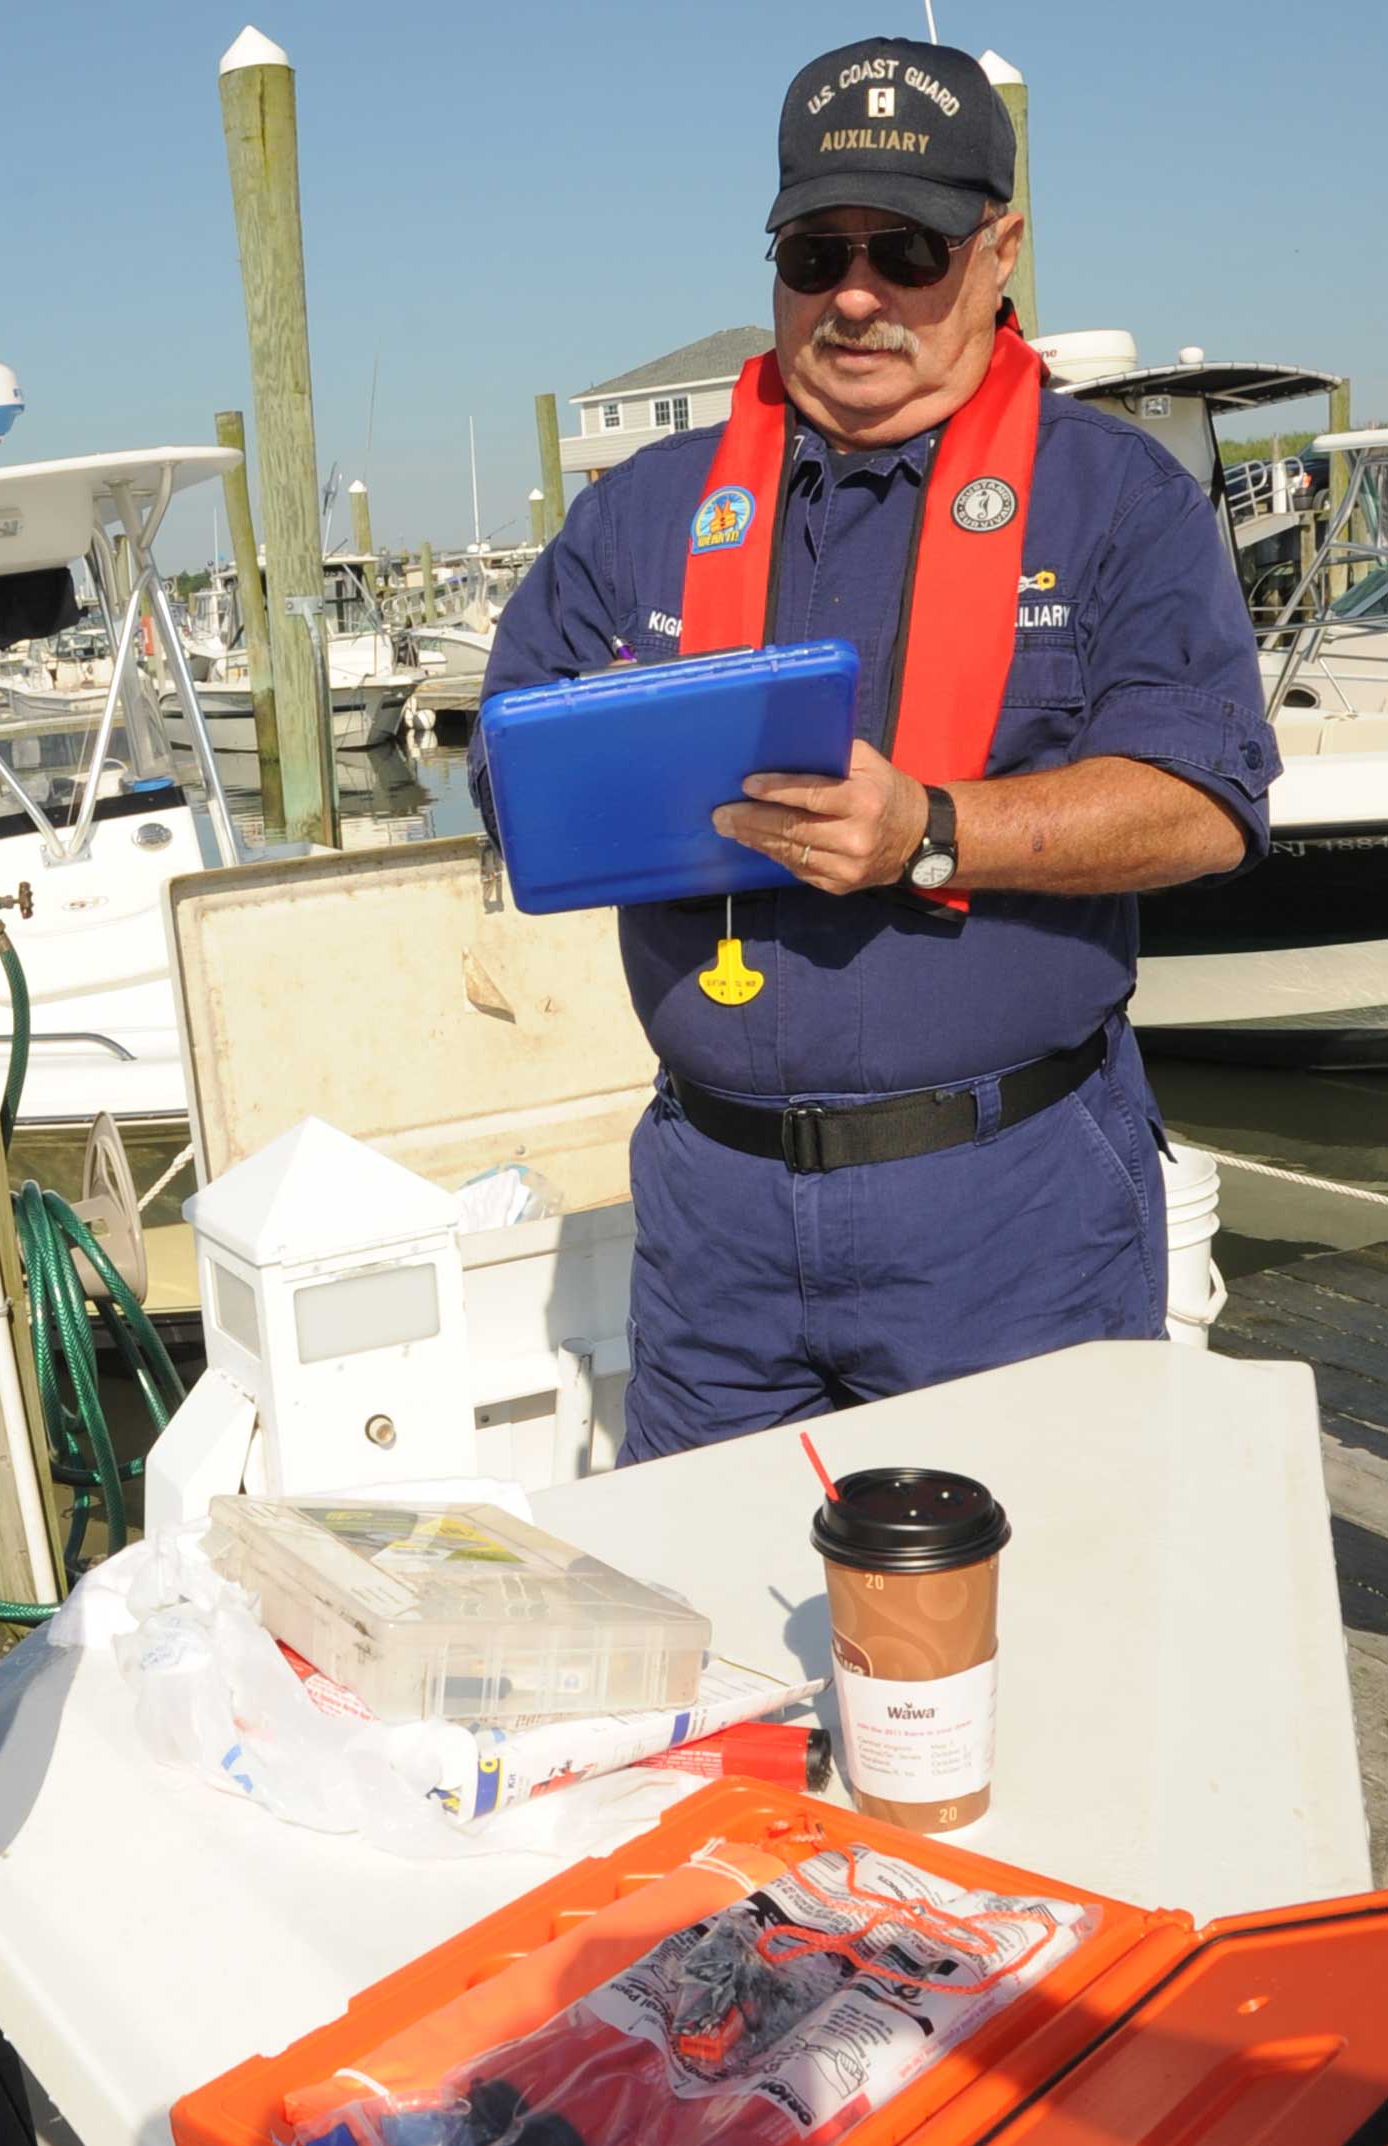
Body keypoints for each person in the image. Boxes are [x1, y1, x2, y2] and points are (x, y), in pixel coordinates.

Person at [475, 35, 1276, 1462]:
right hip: (711, 1215)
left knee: (1031, 1635)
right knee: (716, 1639)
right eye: (813, 249)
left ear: (996, 248)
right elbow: (506, 748)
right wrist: (615, 785)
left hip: (1008, 1212)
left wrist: (933, 828)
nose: (853, 294)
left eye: (905, 249)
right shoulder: (638, 513)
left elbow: (1205, 801)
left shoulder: (1114, 500)